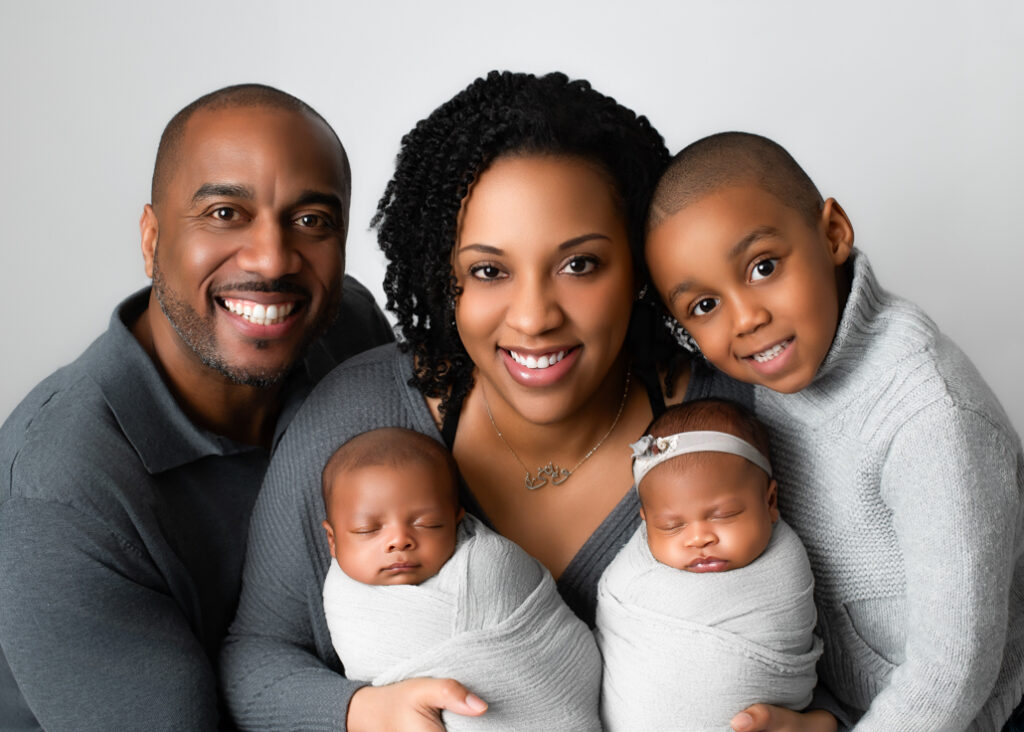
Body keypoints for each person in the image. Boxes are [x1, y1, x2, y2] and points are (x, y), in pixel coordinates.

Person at [222, 71, 835, 732]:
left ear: (639, 269)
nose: (534, 317)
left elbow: (888, 669)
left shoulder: (747, 419)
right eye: (489, 271)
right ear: (442, 278)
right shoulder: (355, 419)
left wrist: (822, 727)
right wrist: (359, 712)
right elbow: (255, 657)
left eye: (580, 265)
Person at [0, 84, 393, 731]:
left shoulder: (344, 326)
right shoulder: (59, 492)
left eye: (312, 220)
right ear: (151, 238)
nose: (272, 260)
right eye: (224, 213)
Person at [644, 131, 1024, 731]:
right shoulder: (762, 384)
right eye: (704, 306)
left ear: (833, 234)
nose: (747, 319)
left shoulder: (931, 417)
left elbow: (953, 672)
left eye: (763, 267)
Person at [319, 427, 602, 731]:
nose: (399, 540)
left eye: (428, 524)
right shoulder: (343, 599)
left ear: (457, 521)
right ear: (332, 541)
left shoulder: (489, 563)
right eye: (368, 530)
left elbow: (558, 659)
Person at [596, 398, 821, 731]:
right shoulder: (629, 583)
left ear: (770, 502)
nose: (698, 539)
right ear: (644, 523)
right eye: (671, 526)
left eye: (724, 516)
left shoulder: (785, 568)